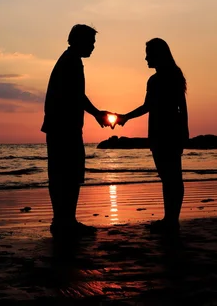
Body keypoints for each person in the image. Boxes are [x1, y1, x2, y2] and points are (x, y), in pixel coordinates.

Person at [41, 24, 111, 238]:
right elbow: (76, 96)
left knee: (62, 173)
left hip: (60, 126)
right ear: (78, 41)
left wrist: (96, 113)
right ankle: (64, 221)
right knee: (68, 174)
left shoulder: (70, 60)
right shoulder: (71, 62)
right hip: (64, 128)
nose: (93, 47)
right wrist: (97, 113)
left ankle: (63, 221)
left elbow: (77, 95)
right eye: (91, 43)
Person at [117, 38, 189, 234]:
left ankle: (171, 220)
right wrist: (184, 131)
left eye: (148, 53)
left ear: (158, 54)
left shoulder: (161, 79)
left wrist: (126, 117)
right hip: (166, 132)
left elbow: (155, 106)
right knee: (171, 177)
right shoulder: (170, 75)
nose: (146, 57)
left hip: (163, 132)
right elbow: (180, 107)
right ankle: (171, 219)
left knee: (170, 177)